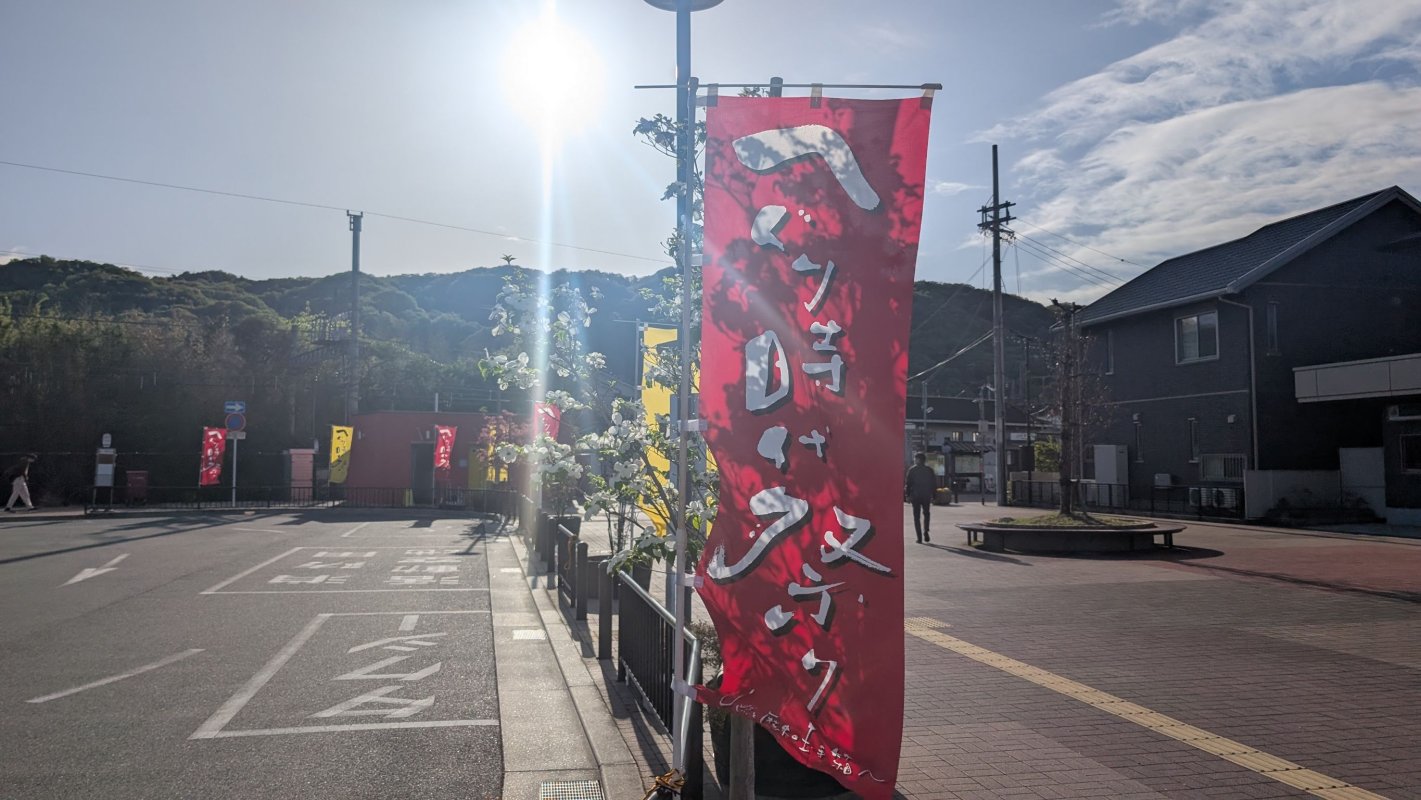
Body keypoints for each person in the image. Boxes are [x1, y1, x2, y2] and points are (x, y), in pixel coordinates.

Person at [905, 452, 937, 543]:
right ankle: (926, 530)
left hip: (916, 495)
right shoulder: (929, 470)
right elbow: (933, 484)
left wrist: (907, 495)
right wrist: (934, 496)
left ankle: (919, 538)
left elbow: (908, 484)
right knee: (926, 514)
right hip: (926, 495)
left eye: (915, 458)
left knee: (916, 517)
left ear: (919, 459)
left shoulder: (912, 470)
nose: (914, 460)